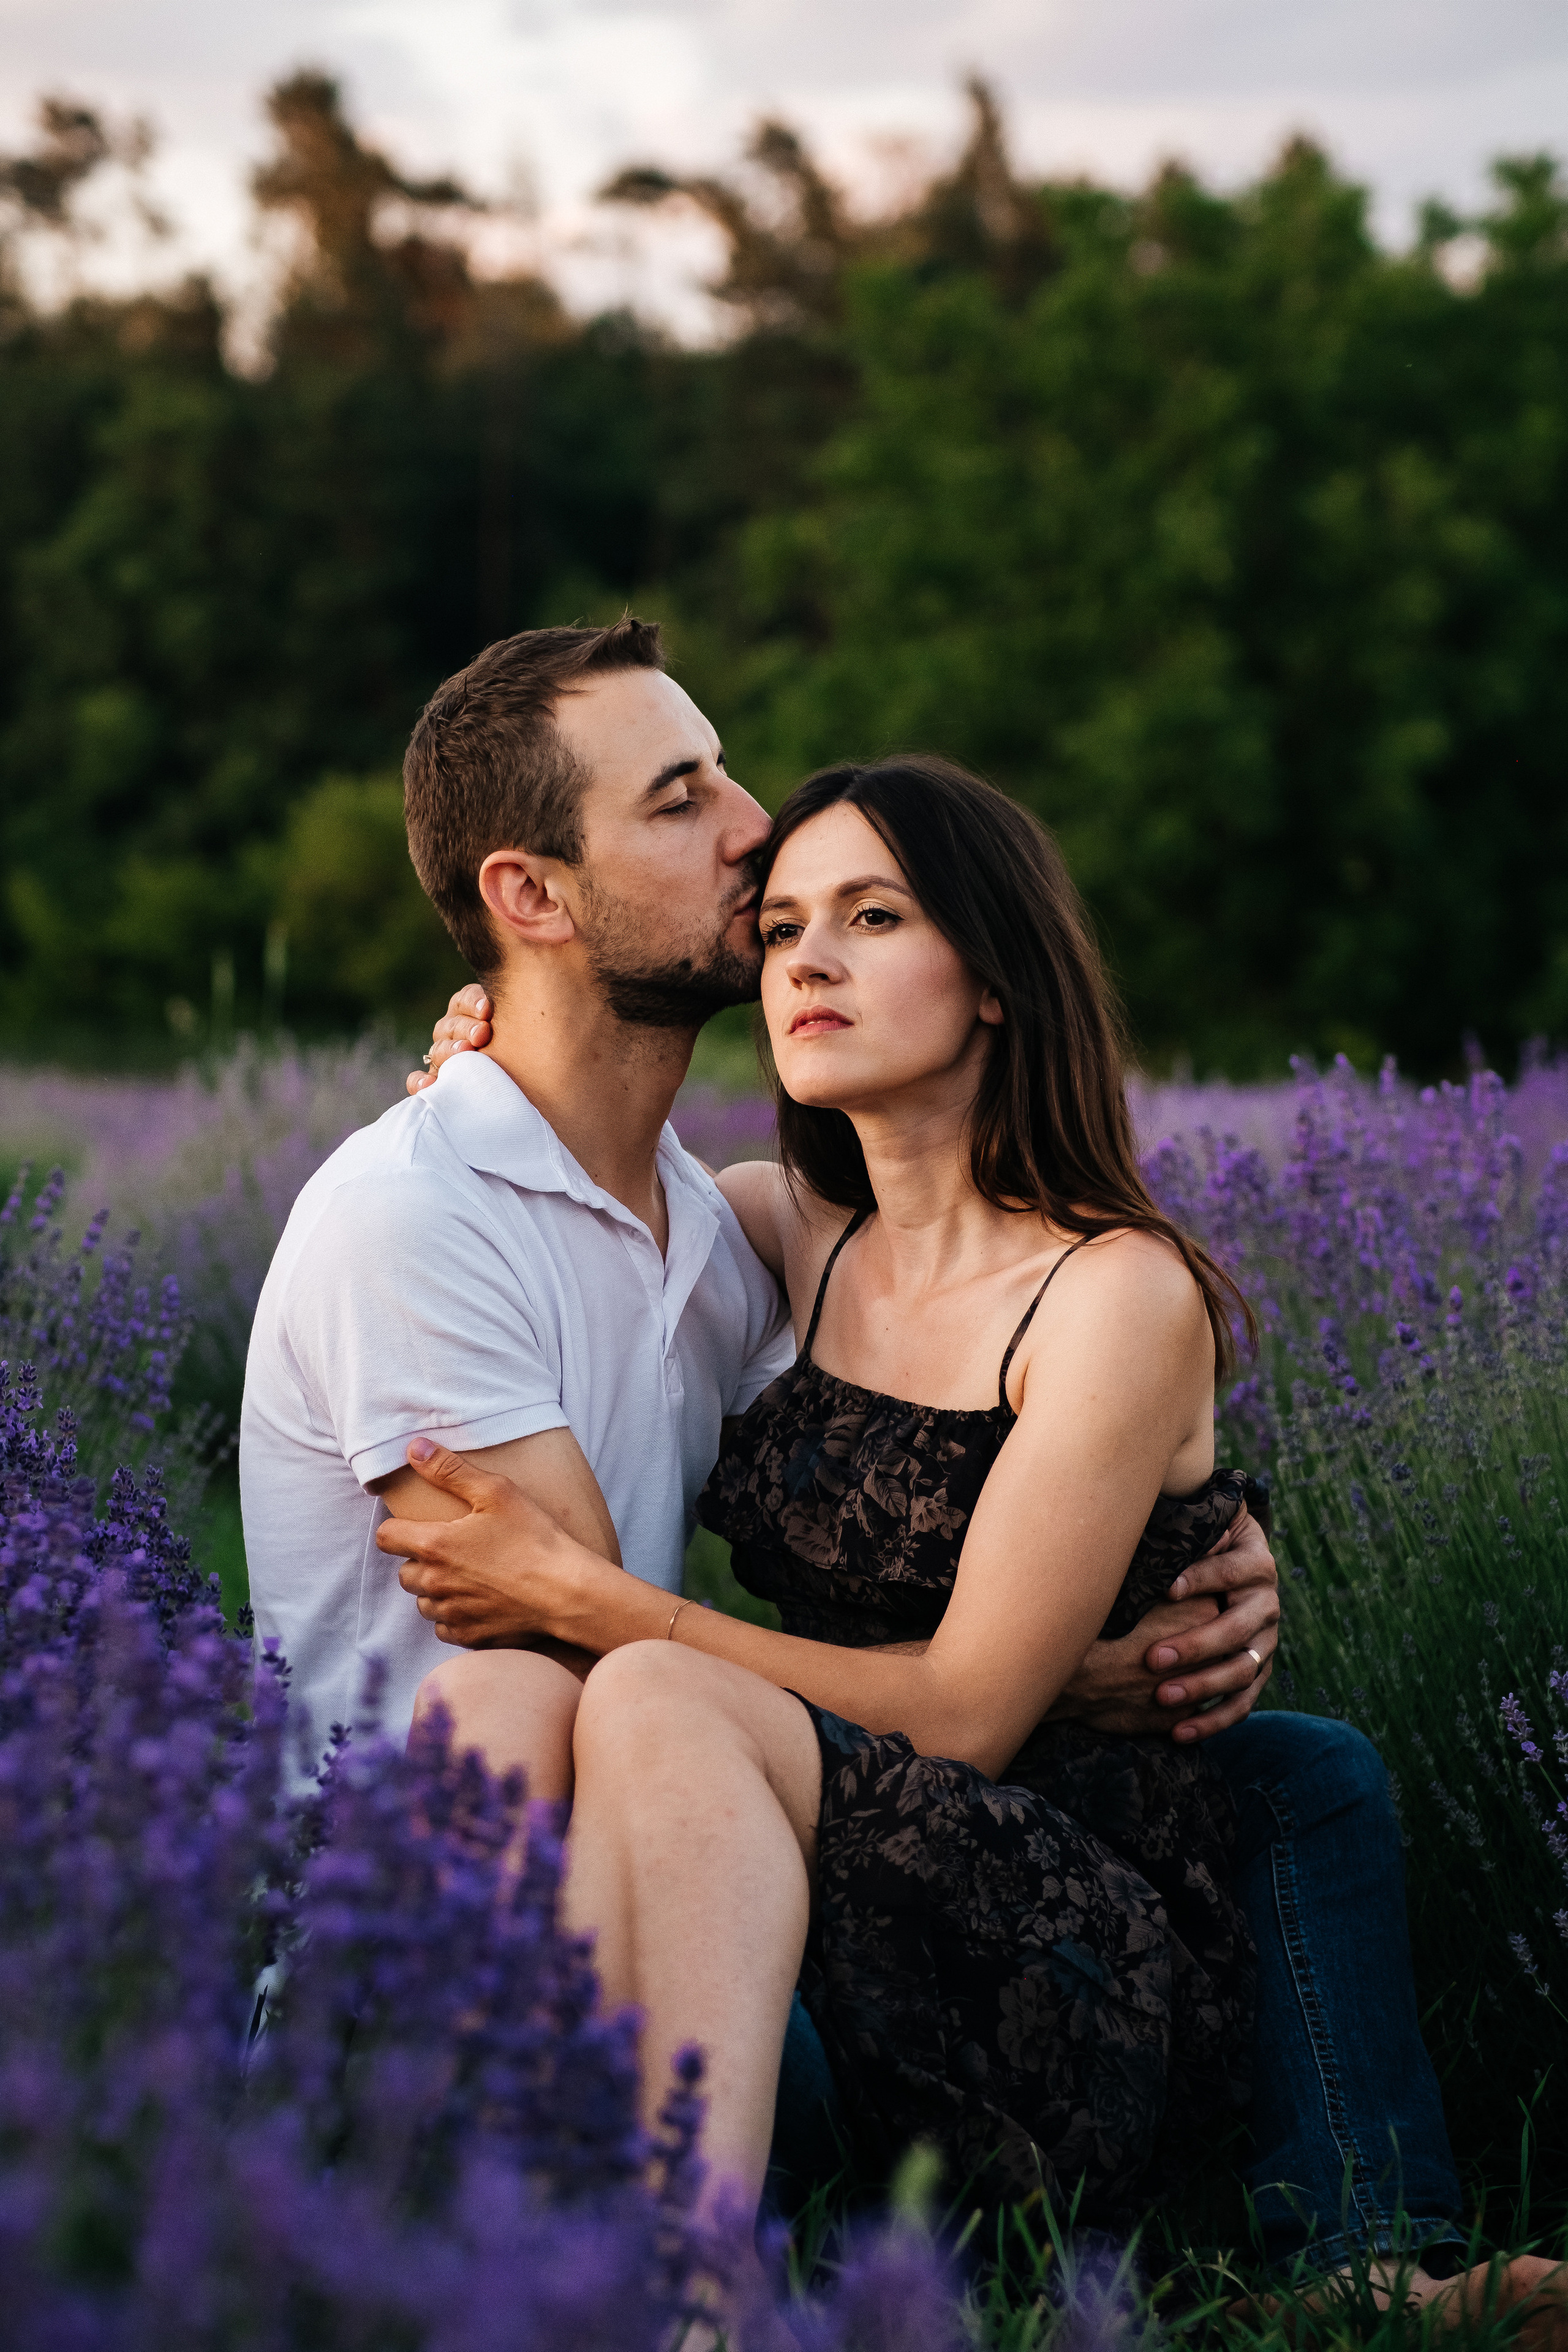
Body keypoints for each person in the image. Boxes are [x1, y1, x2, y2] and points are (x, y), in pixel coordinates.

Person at [241, 620, 1462, 2305]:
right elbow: (575, 1656)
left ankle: (1359, 2250)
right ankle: (645, 2276)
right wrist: (482, 1086)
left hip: (790, 1860)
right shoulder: (593, 1224)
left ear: (996, 973)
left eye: (867, 915)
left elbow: (736, 1630)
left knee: (1300, 1764)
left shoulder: (708, 1226)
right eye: (685, 802)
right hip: (516, 1907)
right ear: (532, 897)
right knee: (563, 1703)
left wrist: (1192, 1567)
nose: (752, 841)